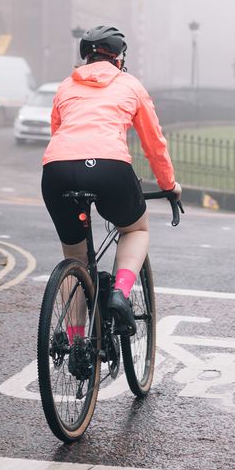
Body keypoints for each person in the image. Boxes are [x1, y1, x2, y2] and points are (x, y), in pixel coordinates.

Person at [41, 25, 181, 333]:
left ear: (85, 58)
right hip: (109, 167)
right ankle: (120, 293)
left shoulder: (66, 86)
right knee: (135, 228)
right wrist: (169, 185)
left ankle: (76, 340)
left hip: (57, 170)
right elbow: (154, 143)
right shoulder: (130, 85)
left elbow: (57, 130)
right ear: (119, 59)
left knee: (74, 257)